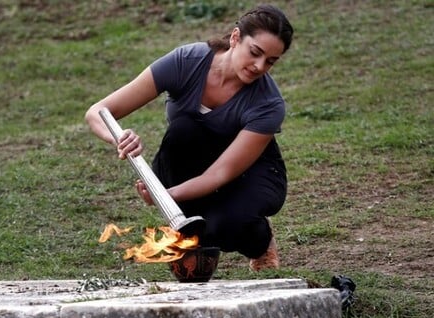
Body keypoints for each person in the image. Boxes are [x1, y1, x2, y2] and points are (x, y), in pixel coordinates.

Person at [85, 4, 294, 271]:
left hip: (249, 170)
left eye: (270, 61)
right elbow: (98, 112)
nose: (259, 66)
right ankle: (197, 233)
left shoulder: (268, 103)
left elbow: (218, 175)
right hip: (191, 155)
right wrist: (118, 138)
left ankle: (261, 242)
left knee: (226, 225)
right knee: (183, 129)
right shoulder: (187, 62)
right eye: (255, 53)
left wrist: (164, 195)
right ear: (235, 38)